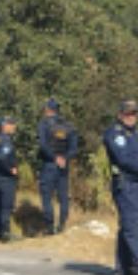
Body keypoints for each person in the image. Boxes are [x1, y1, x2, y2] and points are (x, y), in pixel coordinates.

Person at [103, 100, 138, 275]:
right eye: (127, 113)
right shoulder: (115, 134)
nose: (131, 117)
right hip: (125, 185)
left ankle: (123, 269)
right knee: (132, 228)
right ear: (119, 114)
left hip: (136, 185)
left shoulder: (135, 135)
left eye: (134, 113)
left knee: (130, 227)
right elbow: (123, 159)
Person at [37, 98, 78, 234]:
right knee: (63, 196)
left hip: (49, 164)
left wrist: (54, 157)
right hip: (63, 165)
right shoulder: (68, 126)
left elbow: (43, 145)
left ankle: (49, 227)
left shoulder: (43, 124)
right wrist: (64, 158)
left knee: (46, 196)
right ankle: (61, 225)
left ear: (47, 109)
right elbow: (74, 148)